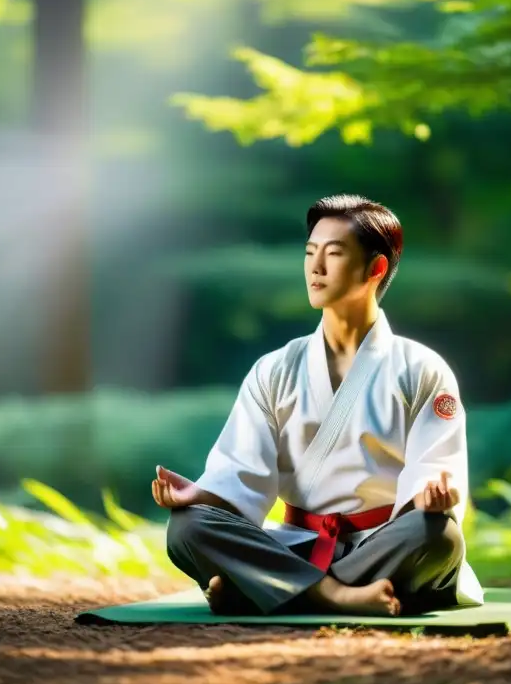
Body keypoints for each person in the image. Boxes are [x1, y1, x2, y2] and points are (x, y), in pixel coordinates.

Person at [152, 194, 484, 617]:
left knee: (437, 536)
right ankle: (336, 595)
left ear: (376, 268)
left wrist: (434, 495)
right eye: (310, 253)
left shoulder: (420, 368)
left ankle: (263, 588)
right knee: (189, 526)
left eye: (334, 253)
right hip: (295, 544)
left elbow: (436, 469)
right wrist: (201, 493)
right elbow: (240, 473)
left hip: (381, 543)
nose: (316, 267)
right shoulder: (275, 369)